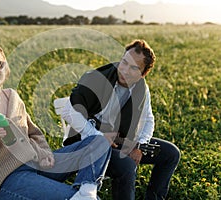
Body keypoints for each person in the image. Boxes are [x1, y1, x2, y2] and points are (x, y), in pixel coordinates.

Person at [0, 41, 111, 200]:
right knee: (72, 197)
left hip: (36, 163)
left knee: (98, 142)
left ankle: (86, 189)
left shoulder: (12, 97)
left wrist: (45, 154)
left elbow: (34, 133)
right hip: (7, 178)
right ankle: (82, 196)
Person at [61, 39, 181, 200]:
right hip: (87, 143)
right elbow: (70, 110)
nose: (124, 70)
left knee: (171, 153)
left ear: (143, 74)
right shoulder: (98, 79)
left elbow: (148, 119)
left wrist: (140, 145)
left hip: (119, 141)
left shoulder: (141, 88)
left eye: (134, 68)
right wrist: (96, 136)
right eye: (124, 62)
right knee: (127, 165)